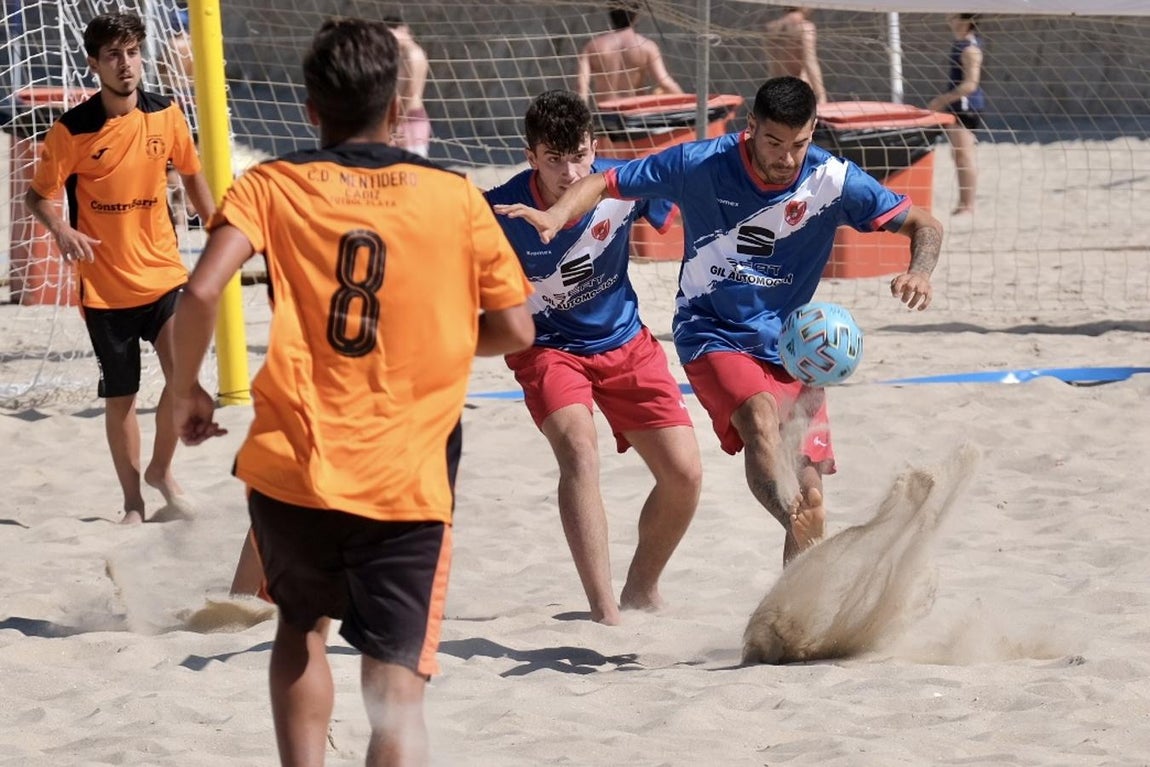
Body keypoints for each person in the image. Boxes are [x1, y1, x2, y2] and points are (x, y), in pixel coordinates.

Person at [168, 17, 533, 766]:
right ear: (398, 107)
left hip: (293, 463)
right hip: (409, 474)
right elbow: (517, 330)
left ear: (309, 109)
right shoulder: (456, 197)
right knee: (396, 677)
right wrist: (439, 342)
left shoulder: (271, 182)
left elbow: (201, 290)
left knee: (300, 626)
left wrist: (187, 391)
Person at [494, 76, 943, 567]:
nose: (787, 157)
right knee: (759, 419)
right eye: (774, 142)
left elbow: (925, 223)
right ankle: (787, 513)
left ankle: (797, 612)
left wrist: (919, 271)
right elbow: (605, 180)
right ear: (751, 128)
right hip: (712, 331)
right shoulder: (700, 163)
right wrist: (557, 215)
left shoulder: (833, 180)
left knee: (811, 487)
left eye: (800, 143)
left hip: (794, 345)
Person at [484, 90, 702, 625]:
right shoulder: (500, 209)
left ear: (594, 147)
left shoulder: (621, 182)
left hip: (625, 342)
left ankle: (640, 590)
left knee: (685, 477)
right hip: (548, 350)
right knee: (580, 452)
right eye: (553, 158)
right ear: (530, 156)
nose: (568, 170)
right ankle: (606, 614)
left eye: (578, 155)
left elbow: (684, 203)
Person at [23, 11, 215, 525]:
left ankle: (161, 471)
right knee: (122, 396)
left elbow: (194, 175)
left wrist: (217, 224)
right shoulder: (72, 131)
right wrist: (62, 230)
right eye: (113, 55)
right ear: (94, 64)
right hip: (104, 289)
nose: (125, 64)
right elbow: (36, 198)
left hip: (164, 277)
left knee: (183, 382)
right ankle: (132, 502)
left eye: (131, 53)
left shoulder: (168, 113)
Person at [928, 13, 985, 215]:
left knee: (964, 155)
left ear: (966, 21)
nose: (949, 20)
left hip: (966, 107)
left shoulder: (970, 48)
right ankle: (964, 203)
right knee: (958, 155)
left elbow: (970, 84)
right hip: (958, 106)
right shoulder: (960, 44)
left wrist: (940, 100)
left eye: (953, 17)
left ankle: (968, 204)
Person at [576, 1, 682, 107]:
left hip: (606, 113)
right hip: (635, 114)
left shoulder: (592, 46)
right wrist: (687, 106)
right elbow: (665, 83)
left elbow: (581, 87)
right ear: (636, 15)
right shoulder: (647, 46)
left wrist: (580, 118)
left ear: (610, 12)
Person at [383, 15, 431, 157]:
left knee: (414, 168)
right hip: (400, 117)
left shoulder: (414, 54)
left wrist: (397, 124)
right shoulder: (401, 55)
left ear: (403, 29)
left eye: (391, 33)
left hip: (410, 119)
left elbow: (410, 91)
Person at [764, 7, 828, 105]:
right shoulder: (805, 27)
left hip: (774, 92)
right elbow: (810, 62)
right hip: (798, 93)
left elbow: (771, 66)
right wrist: (821, 96)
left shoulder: (770, 28)